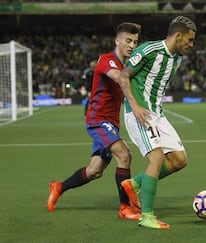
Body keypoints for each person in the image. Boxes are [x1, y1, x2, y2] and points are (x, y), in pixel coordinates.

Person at [47, 22, 149, 220]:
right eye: (128, 40)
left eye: (135, 42)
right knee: (124, 155)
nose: (132, 45)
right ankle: (125, 208)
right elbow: (121, 79)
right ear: (117, 40)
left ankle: (59, 187)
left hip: (111, 124)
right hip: (98, 120)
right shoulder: (107, 60)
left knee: (94, 171)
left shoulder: (127, 66)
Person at [118, 16, 197, 229]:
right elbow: (124, 76)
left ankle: (133, 184)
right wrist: (134, 106)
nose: (191, 45)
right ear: (178, 36)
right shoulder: (149, 50)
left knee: (180, 160)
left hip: (158, 114)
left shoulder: (177, 58)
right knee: (157, 157)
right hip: (139, 112)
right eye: (189, 40)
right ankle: (147, 216)